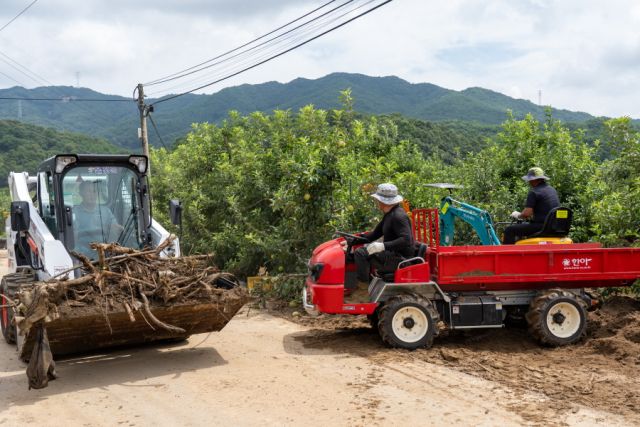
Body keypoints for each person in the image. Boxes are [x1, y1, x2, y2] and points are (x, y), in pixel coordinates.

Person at [345, 183, 415, 303]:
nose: (376, 201)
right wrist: (353, 241)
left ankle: (362, 293)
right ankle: (359, 290)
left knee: (362, 253)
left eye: (377, 199)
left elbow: (406, 240)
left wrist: (383, 246)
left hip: (401, 260)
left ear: (384, 201)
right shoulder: (389, 215)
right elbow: (374, 235)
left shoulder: (398, 216)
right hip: (392, 255)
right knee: (361, 250)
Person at [503, 167, 560, 245]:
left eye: (529, 180)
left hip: (541, 226)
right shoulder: (552, 190)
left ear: (532, 180)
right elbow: (545, 208)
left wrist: (518, 215)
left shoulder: (534, 192)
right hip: (554, 226)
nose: (529, 182)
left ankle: (507, 256)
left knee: (509, 230)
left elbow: (526, 214)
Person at [73, 180, 124, 259]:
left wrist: (124, 230)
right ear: (81, 194)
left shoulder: (105, 211)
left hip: (103, 249)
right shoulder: (74, 212)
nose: (92, 195)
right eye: (88, 191)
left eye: (94, 191)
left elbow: (114, 226)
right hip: (81, 251)